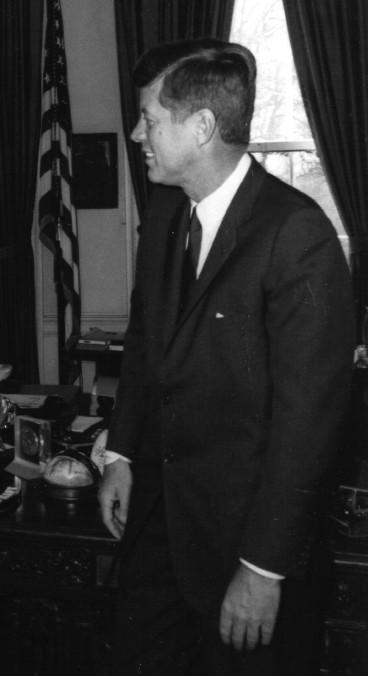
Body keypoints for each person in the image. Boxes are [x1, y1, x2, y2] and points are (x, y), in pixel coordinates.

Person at [97, 38, 353, 674]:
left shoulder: (297, 236)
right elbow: (144, 342)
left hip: (246, 549)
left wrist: (263, 569)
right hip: (160, 532)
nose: (136, 134)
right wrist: (122, 451)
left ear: (203, 126)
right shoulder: (163, 211)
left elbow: (309, 426)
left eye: (149, 119)